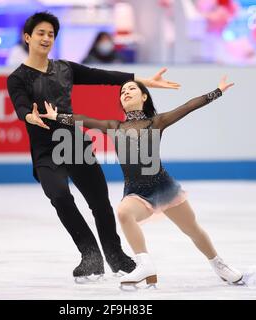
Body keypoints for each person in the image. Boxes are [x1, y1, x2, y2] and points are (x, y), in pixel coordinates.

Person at [6, 11, 180, 280]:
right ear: (27, 37)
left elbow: (102, 75)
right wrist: (29, 115)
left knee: (100, 202)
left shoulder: (64, 68)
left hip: (74, 144)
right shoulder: (17, 78)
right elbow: (19, 103)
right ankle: (90, 255)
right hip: (45, 150)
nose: (46, 38)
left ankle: (116, 256)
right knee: (60, 196)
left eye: (51, 34)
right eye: (40, 33)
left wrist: (142, 80)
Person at [40, 76, 243, 287]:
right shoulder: (114, 126)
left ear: (144, 96)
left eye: (131, 89)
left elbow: (188, 106)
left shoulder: (156, 122)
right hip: (136, 192)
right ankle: (144, 264)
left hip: (164, 187)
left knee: (192, 229)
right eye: (122, 91)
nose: (125, 92)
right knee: (123, 212)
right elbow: (83, 119)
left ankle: (218, 264)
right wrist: (57, 116)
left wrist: (217, 91)